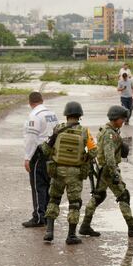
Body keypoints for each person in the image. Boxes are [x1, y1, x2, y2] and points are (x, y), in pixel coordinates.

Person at [79, 106, 133, 238]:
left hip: (103, 169)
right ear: (116, 118)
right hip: (108, 169)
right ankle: (132, 227)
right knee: (123, 195)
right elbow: (109, 157)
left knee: (98, 196)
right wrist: (115, 174)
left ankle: (85, 225)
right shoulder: (109, 134)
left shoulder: (108, 130)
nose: (123, 121)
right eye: (122, 118)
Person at [40, 101, 97, 244]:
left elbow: (46, 150)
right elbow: (94, 151)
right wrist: (83, 158)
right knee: (74, 204)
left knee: (53, 200)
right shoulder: (85, 131)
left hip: (57, 171)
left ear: (66, 115)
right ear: (79, 116)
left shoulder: (58, 129)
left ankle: (49, 232)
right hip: (75, 173)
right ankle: (71, 236)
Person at [23, 92, 59, 228]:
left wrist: (27, 157)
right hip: (52, 153)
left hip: (39, 154)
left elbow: (31, 139)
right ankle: (48, 215)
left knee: (38, 186)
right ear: (42, 100)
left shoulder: (34, 116)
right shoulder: (52, 114)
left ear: (30, 102)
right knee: (48, 185)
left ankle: (39, 217)